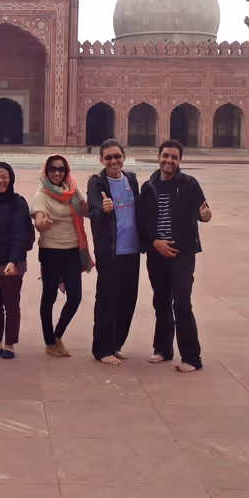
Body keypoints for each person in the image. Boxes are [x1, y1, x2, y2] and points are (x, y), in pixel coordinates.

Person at [139, 139, 212, 373]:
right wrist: (154, 242)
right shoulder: (148, 186)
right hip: (156, 252)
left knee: (181, 303)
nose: (169, 160)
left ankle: (191, 357)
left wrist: (206, 215)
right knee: (160, 301)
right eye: (166, 156)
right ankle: (163, 349)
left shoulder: (189, 184)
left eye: (174, 157)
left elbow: (203, 212)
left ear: (179, 161)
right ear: (159, 156)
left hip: (182, 253)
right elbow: (143, 221)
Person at [31, 154, 93, 357]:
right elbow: (39, 219)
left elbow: (86, 210)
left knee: (75, 297)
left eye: (61, 169)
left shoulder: (73, 190)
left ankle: (58, 335)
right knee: (49, 297)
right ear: (46, 171)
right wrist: (42, 224)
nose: (57, 173)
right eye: (52, 169)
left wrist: (100, 202)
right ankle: (49, 342)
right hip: (50, 250)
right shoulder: (42, 194)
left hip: (73, 250)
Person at [86, 139, 141, 365]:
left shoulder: (131, 180)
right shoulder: (97, 183)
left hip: (132, 250)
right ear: (101, 160)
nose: (113, 161)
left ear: (124, 157)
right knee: (107, 299)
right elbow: (91, 210)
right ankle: (102, 349)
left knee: (128, 299)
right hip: (110, 252)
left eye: (117, 156)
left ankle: (116, 344)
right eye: (108, 157)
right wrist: (103, 209)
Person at [0, 162, 30, 359]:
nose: (1, 181)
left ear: (11, 179)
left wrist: (14, 260)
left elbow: (21, 233)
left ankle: (9, 344)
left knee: (11, 304)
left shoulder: (19, 202)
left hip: (11, 262)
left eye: (4, 177)